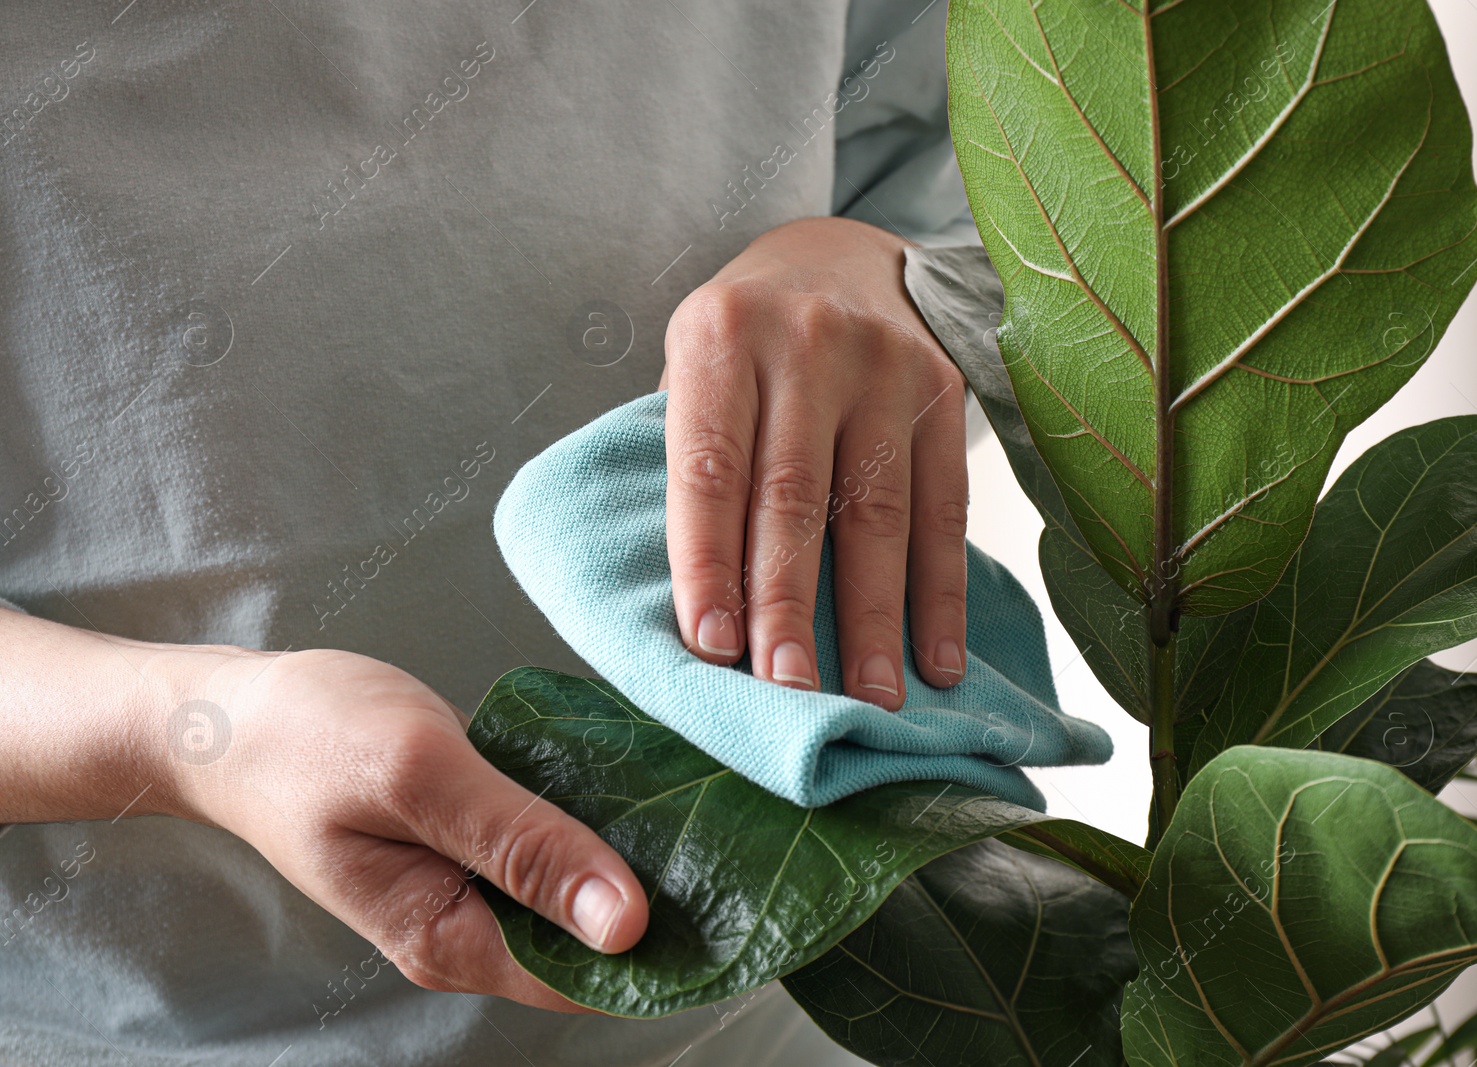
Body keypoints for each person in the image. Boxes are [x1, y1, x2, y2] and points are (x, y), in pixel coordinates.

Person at [0, 0, 980, 1064]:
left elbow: (969, 182)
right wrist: (187, 736)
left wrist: (868, 267)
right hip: (154, 1029)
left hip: (808, 1002)